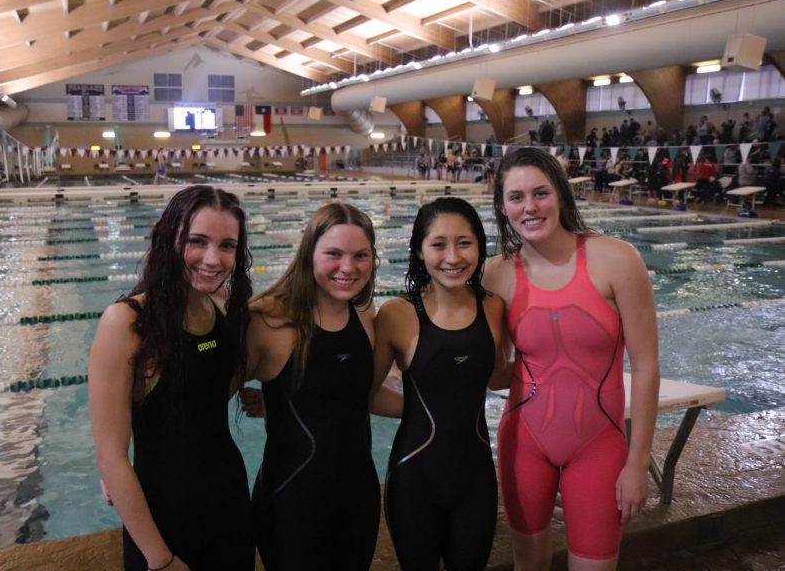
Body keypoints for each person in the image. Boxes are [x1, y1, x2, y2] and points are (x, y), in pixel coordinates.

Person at [484, 147, 660, 571]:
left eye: (540, 193)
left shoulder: (617, 259)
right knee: (528, 565)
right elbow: (495, 374)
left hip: (599, 446)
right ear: (502, 207)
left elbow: (648, 366)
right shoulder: (497, 273)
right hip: (524, 441)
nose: (530, 207)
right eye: (517, 197)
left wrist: (637, 463)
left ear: (561, 195)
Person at [89, 185, 255, 571]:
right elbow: (110, 454)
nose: (213, 259)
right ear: (169, 239)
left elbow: (206, 391)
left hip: (229, 504)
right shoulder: (127, 323)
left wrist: (266, 400)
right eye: (197, 241)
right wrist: (159, 559)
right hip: (162, 520)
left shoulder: (224, 305)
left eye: (227, 245)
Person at [246, 202, 390, 571]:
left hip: (358, 499)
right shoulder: (269, 317)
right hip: (291, 502)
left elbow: (357, 393)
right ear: (309, 252)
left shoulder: (364, 311)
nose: (348, 267)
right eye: (334, 254)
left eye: (361, 255)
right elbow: (203, 387)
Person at [374, 197, 504, 570]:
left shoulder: (494, 307)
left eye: (465, 243)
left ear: (479, 246)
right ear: (418, 250)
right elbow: (362, 392)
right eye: (438, 244)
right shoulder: (397, 314)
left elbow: (498, 374)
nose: (453, 256)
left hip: (476, 479)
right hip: (415, 479)